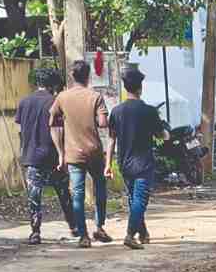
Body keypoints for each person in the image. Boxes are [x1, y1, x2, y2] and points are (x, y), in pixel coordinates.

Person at [50, 59, 113, 249]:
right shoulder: (95, 96)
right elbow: (103, 123)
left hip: (73, 154)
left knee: (77, 194)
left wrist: (60, 151)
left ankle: (83, 236)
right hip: (94, 151)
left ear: (71, 76)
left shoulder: (62, 97)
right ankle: (100, 227)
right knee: (100, 189)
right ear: (89, 76)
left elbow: (52, 120)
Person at [106, 66, 167, 250]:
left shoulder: (116, 111)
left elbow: (111, 139)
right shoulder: (148, 111)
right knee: (140, 200)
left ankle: (143, 232)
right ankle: (130, 235)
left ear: (125, 87)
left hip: (124, 163)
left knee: (134, 199)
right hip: (143, 164)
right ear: (140, 88)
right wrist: (166, 133)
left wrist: (107, 164)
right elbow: (161, 135)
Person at [13, 67, 75, 246]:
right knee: (64, 194)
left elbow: (19, 129)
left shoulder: (24, 102)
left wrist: (23, 151)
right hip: (54, 156)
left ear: (37, 83)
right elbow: (62, 129)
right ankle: (74, 227)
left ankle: (35, 232)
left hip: (32, 156)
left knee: (34, 196)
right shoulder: (56, 102)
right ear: (53, 85)